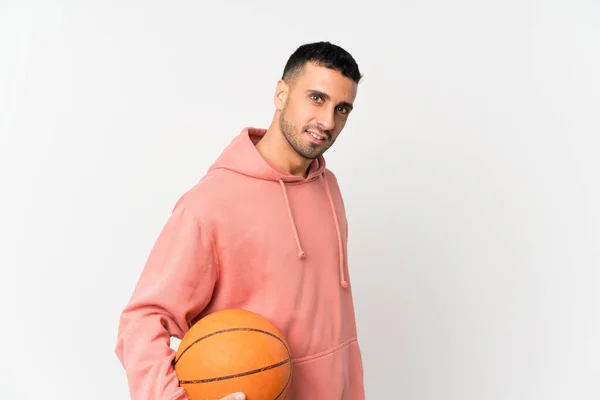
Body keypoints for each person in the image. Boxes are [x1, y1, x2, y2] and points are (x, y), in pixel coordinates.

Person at [115, 41, 365, 400]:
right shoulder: (211, 204)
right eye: (316, 98)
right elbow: (140, 320)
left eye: (342, 108)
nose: (328, 122)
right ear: (282, 93)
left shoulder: (329, 187)